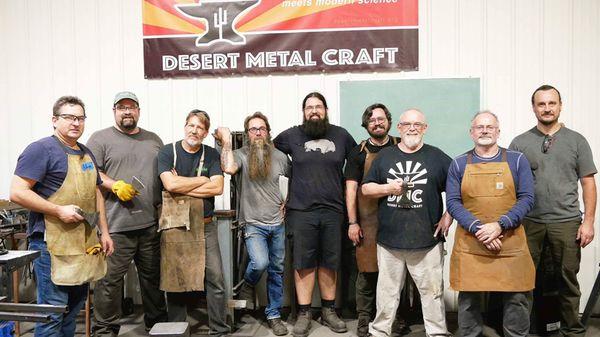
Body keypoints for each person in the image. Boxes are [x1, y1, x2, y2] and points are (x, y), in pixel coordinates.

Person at [10, 96, 114, 337]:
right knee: (52, 314)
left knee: (72, 312)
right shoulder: (41, 149)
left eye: (80, 118)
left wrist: (104, 232)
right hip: (52, 247)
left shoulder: (86, 152)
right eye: (69, 117)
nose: (75, 123)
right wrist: (58, 210)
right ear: (55, 120)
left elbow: (97, 193)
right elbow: (16, 192)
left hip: (84, 245)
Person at [510, 85, 597, 337]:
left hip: (567, 222)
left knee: (567, 279)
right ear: (533, 107)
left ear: (560, 106)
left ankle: (573, 330)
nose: (547, 108)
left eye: (551, 103)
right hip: (529, 222)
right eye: (541, 104)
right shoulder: (520, 142)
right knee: (524, 279)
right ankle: (523, 330)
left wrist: (588, 222)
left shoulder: (577, 141)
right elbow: (511, 186)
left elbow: (588, 183)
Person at [362, 108, 452, 337]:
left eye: (418, 124)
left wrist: (448, 215)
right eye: (407, 124)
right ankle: (380, 331)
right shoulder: (385, 156)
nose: (412, 128)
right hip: (389, 240)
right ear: (399, 128)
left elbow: (459, 188)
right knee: (386, 292)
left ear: (425, 128)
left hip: (427, 240)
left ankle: (437, 333)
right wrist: (387, 188)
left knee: (432, 292)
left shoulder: (437, 157)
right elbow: (366, 188)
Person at [274, 92, 356, 337]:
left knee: (330, 262)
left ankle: (329, 310)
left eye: (318, 106)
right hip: (300, 211)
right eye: (309, 107)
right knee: (303, 263)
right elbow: (268, 156)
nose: (314, 111)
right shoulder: (291, 136)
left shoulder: (341, 136)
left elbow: (356, 164)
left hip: (333, 210)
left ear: (326, 110)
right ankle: (304, 312)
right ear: (303, 111)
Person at [446, 111, 535, 337]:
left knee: (517, 298)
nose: (484, 131)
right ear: (472, 132)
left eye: (489, 127)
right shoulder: (458, 163)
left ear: (498, 131)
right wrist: (479, 229)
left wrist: (499, 226)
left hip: (510, 241)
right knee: (468, 301)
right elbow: (454, 203)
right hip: (471, 242)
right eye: (479, 127)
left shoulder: (517, 160)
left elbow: (527, 198)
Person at [87, 91, 167, 335]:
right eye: (122, 107)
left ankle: (157, 326)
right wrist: (114, 185)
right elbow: (90, 172)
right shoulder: (100, 140)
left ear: (139, 111)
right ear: (114, 112)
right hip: (115, 226)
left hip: (150, 224)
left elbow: (164, 174)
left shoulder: (153, 140)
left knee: (152, 281)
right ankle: (105, 331)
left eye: (132, 107)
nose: (127, 111)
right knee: (109, 282)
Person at [214, 111, 291, 336]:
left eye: (261, 128)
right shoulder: (240, 155)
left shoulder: (281, 157)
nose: (257, 132)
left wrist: (286, 202)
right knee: (260, 263)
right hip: (253, 224)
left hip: (278, 223)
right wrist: (226, 142)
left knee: (277, 271)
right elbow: (228, 168)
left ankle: (274, 315)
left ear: (268, 132)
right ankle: (248, 284)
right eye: (253, 129)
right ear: (247, 133)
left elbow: (287, 183)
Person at [158, 109, 230, 336]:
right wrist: (201, 180)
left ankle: (219, 329)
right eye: (191, 125)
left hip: (206, 225)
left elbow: (217, 187)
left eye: (200, 127)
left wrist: (182, 182)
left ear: (206, 132)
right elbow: (170, 186)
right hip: (175, 225)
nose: (194, 130)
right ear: (185, 126)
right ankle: (177, 329)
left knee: (216, 278)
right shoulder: (167, 152)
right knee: (175, 279)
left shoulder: (210, 155)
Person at [344, 103, 407, 337]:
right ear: (366, 124)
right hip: (368, 221)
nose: (377, 123)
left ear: (389, 121)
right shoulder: (358, 152)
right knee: (367, 273)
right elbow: (351, 190)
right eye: (372, 120)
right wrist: (353, 222)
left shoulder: (402, 146)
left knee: (397, 273)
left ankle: (395, 317)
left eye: (381, 119)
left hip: (399, 219)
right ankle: (364, 320)